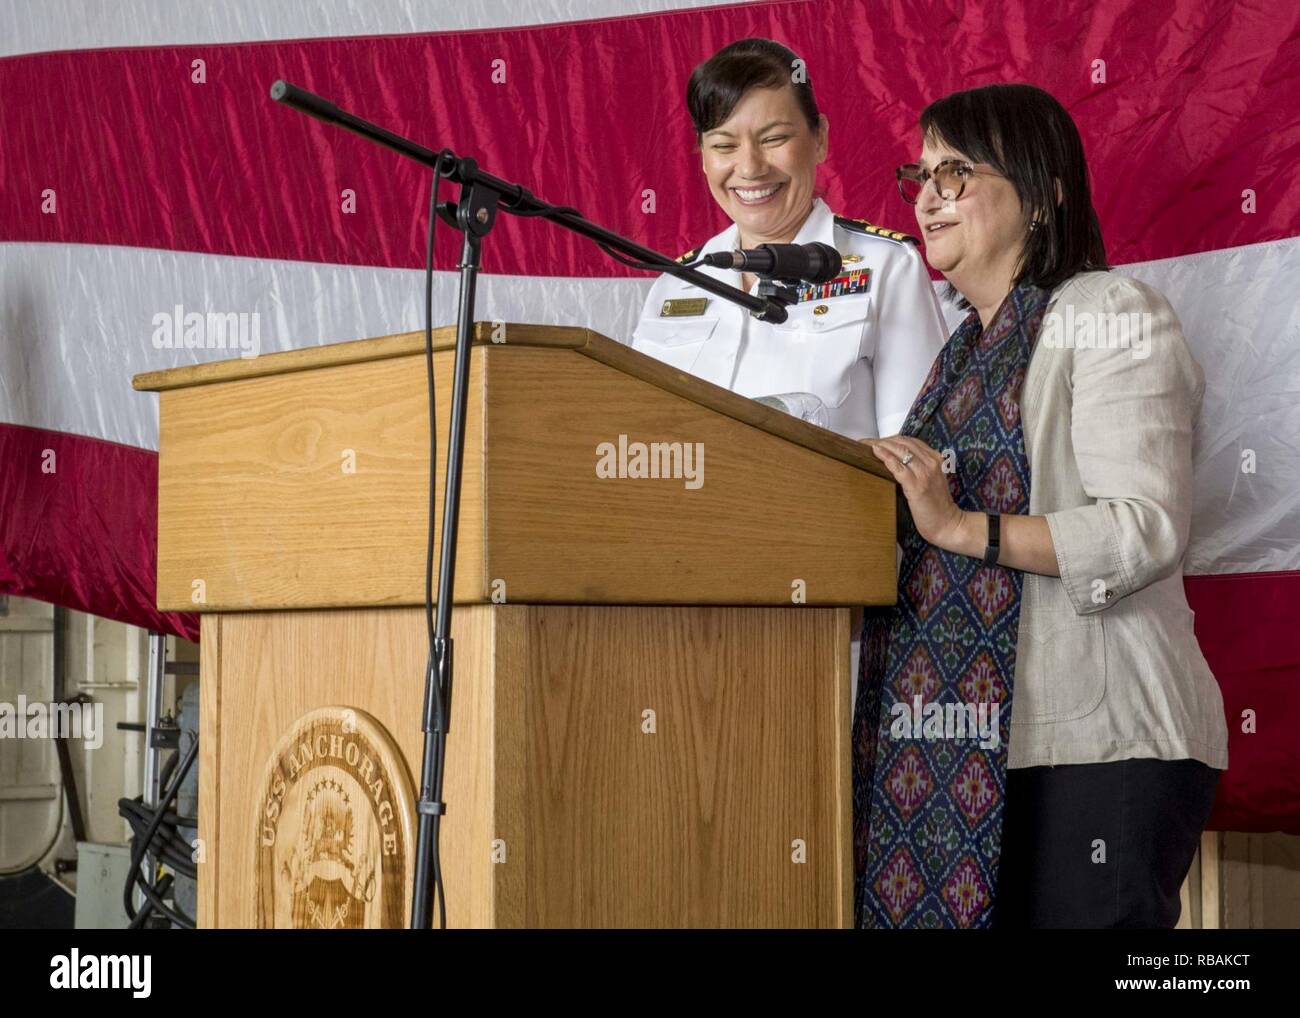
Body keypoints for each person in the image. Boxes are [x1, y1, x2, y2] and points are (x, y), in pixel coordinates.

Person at [853, 83, 1229, 929]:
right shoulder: (964, 355)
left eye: (954, 173)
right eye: (919, 174)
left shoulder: (1109, 313)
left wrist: (956, 527)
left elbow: (1142, 527)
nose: (925, 196)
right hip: (972, 746)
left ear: (1044, 190)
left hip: (1099, 746)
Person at [630, 37, 946, 441]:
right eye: (724, 145)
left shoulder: (885, 266)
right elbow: (639, 431)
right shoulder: (676, 282)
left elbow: (914, 453)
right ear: (705, 159)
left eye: (773, 139)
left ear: (820, 138)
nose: (750, 168)